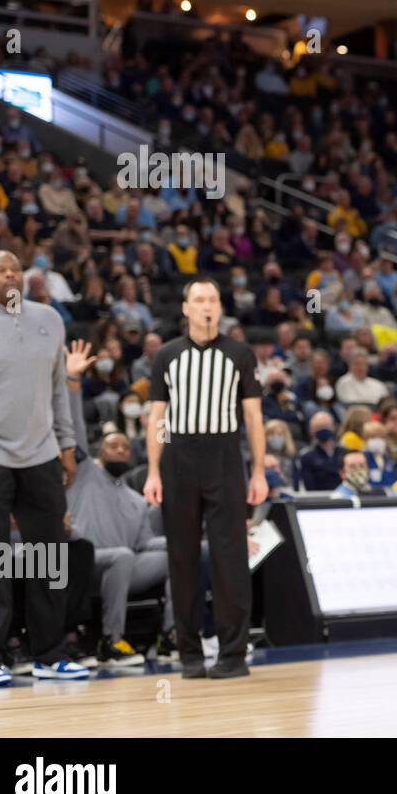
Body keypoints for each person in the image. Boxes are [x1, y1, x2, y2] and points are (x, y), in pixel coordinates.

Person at [0, 251, 87, 685]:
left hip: (41, 453)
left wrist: (67, 444)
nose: (10, 274)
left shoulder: (49, 319)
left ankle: (49, 654)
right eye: (1, 270)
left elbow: (58, 386)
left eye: (15, 268)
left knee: (49, 557)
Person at [144, 277, 268, 680]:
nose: (207, 306)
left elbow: (253, 416)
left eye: (213, 299)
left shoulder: (239, 354)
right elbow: (157, 418)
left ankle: (233, 654)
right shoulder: (166, 355)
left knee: (230, 555)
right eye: (199, 300)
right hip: (179, 458)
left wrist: (260, 470)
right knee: (181, 557)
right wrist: (152, 470)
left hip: (225, 457)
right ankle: (190, 653)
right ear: (186, 308)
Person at [63, 339, 173, 666]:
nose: (121, 449)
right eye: (113, 446)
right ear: (100, 452)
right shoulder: (85, 473)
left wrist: (179, 540)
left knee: (180, 554)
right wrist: (72, 381)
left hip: (123, 565)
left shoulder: (136, 500)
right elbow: (75, 431)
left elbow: (145, 544)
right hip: (83, 563)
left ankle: (171, 635)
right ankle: (112, 641)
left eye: (126, 447)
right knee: (122, 556)